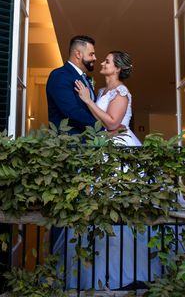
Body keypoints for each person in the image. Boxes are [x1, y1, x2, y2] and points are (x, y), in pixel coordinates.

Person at [56, 51, 160, 290]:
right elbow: (103, 124)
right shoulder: (101, 91)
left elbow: (113, 123)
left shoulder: (122, 92)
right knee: (95, 208)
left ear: (118, 69)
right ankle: (96, 274)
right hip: (100, 146)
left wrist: (87, 100)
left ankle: (125, 272)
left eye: (107, 61)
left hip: (119, 150)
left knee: (118, 205)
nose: (102, 63)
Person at [46, 35, 98, 134]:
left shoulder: (85, 78)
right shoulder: (60, 75)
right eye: (91, 54)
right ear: (78, 54)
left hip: (87, 143)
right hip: (69, 143)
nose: (95, 58)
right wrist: (102, 128)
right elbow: (71, 111)